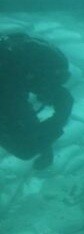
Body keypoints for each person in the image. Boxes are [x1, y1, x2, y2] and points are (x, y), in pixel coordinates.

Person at [0, 33, 73, 169]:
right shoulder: (7, 83)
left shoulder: (13, 73)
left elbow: (23, 116)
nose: (48, 93)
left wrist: (45, 147)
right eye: (50, 83)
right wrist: (61, 115)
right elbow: (24, 147)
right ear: (33, 74)